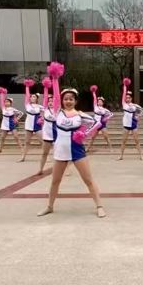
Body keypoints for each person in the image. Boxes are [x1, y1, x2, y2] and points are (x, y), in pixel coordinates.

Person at [37, 62, 107, 218]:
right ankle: (50, 206)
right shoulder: (57, 112)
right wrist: (55, 78)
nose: (68, 101)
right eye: (66, 99)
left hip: (77, 150)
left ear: (75, 101)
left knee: (88, 180)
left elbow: (97, 124)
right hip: (60, 151)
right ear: (62, 101)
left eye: (71, 99)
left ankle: (99, 206)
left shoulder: (80, 115)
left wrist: (84, 134)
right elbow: (55, 95)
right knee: (55, 181)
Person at [118, 77, 143, 161]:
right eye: (126, 98)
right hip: (126, 124)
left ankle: (141, 155)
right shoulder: (124, 104)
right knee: (124, 141)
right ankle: (121, 156)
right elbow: (124, 93)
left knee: (137, 141)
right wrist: (125, 85)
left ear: (131, 98)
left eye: (129, 98)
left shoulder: (135, 105)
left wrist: (138, 116)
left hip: (134, 124)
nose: (127, 99)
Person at [19, 79, 43, 163]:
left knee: (42, 141)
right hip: (29, 125)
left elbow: (45, 112)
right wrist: (27, 86)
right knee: (27, 142)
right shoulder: (27, 105)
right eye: (31, 96)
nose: (32, 97)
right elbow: (27, 95)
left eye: (34, 97)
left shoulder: (40, 106)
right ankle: (23, 157)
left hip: (37, 125)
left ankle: (45, 157)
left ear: (37, 98)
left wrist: (42, 118)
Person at [0, 88, 24, 153]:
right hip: (4, 124)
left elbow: (21, 113)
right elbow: (1, 100)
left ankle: (22, 149)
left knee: (16, 137)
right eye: (5, 102)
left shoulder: (13, 109)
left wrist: (17, 119)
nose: (6, 103)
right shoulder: (3, 108)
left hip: (11, 124)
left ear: (10, 103)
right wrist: (2, 93)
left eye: (8, 102)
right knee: (2, 137)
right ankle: (0, 149)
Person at [87, 86, 113, 152]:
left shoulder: (105, 110)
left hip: (102, 124)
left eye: (101, 101)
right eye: (98, 101)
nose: (99, 102)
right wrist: (94, 92)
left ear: (103, 103)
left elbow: (111, 114)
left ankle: (111, 148)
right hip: (96, 124)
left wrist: (106, 119)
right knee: (93, 137)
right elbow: (94, 99)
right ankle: (88, 148)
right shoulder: (95, 107)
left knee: (106, 137)